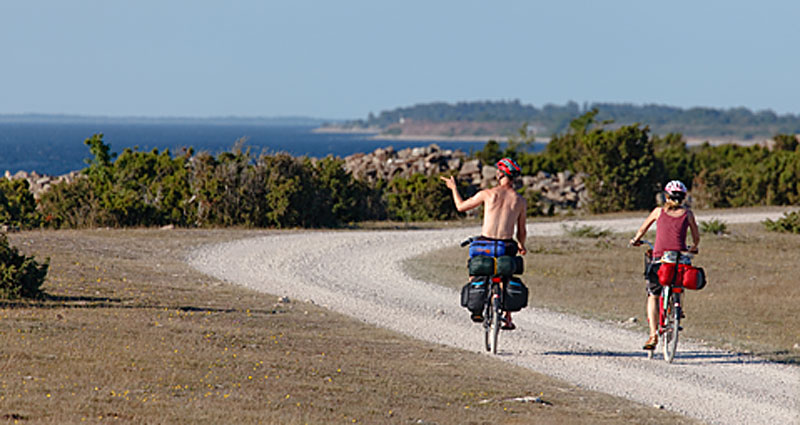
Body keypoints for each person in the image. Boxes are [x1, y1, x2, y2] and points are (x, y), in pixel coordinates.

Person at [441, 157, 527, 329]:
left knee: (475, 269)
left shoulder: (487, 194)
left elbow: (461, 207)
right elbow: (521, 230)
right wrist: (521, 245)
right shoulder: (520, 201)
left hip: (484, 244)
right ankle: (508, 318)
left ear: (501, 174)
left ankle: (477, 307)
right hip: (506, 245)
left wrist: (453, 188)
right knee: (507, 274)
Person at [629, 180, 700, 350]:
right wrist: (694, 247)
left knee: (653, 294)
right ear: (683, 197)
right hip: (679, 259)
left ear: (666, 196)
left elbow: (642, 230)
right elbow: (696, 237)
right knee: (680, 281)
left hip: (660, 259)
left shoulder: (658, 212)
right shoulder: (688, 214)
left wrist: (635, 240)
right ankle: (678, 309)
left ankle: (653, 335)